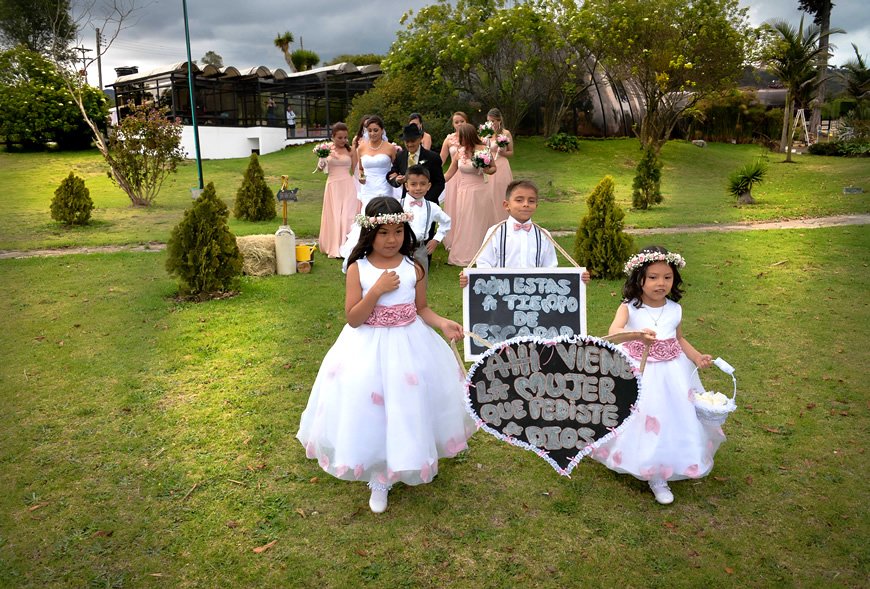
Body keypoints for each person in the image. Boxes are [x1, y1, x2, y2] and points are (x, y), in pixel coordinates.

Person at [297, 197, 475, 513]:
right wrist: (377, 290)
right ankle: (379, 475)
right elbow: (353, 318)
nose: (391, 240)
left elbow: (421, 309)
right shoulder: (358, 269)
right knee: (371, 407)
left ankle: (411, 456)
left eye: (397, 232)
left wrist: (443, 323)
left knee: (409, 403)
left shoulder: (414, 268)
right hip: (367, 346)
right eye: (383, 233)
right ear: (369, 233)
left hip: (409, 343)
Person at [591, 245, 725, 505]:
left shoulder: (675, 309)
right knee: (640, 414)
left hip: (672, 372)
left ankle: (661, 469)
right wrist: (637, 334)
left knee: (670, 415)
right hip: (639, 370)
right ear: (638, 278)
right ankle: (637, 459)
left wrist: (696, 356)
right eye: (652, 277)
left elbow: (680, 339)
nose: (660, 283)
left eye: (667, 277)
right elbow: (614, 331)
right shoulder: (629, 308)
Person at [459, 180, 589, 286]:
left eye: (531, 201)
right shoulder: (495, 232)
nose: (526, 204)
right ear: (506, 205)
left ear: (536, 206)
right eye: (519, 200)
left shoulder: (543, 235)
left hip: (535, 299)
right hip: (501, 296)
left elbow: (551, 269)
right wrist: (470, 278)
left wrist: (578, 279)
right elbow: (484, 264)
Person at [339, 115, 398, 260]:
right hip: (368, 188)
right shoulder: (361, 147)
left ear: (382, 130)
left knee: (384, 216)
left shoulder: (390, 148)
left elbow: (396, 168)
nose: (372, 133)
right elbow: (360, 169)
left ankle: (385, 247)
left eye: (376, 130)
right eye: (370, 130)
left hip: (384, 187)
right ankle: (365, 250)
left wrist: (395, 177)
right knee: (368, 217)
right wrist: (361, 177)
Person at [444, 122, 497, 267]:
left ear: (468, 136)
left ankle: (483, 254)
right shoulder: (459, 152)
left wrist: (485, 169)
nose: (459, 140)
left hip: (479, 191)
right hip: (463, 191)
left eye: (461, 137)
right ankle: (464, 253)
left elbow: (493, 168)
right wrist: (433, 182)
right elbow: (449, 173)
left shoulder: (482, 150)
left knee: (478, 221)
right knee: (464, 221)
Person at [317, 122, 359, 258]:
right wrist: (322, 159)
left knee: (347, 216)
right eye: (340, 138)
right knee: (334, 215)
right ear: (333, 136)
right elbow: (320, 169)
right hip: (333, 185)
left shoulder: (351, 150)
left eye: (345, 137)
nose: (343, 140)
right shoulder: (326, 148)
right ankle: (334, 246)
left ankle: (347, 247)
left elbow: (355, 170)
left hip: (348, 185)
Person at [401, 164, 451, 275]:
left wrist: (436, 239)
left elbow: (446, 222)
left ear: (428, 186)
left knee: (421, 281)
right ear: (406, 186)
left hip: (421, 250)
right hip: (400, 249)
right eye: (413, 184)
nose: (418, 188)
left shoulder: (432, 207)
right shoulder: (398, 205)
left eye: (422, 184)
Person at [388, 123, 445, 205]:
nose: (410, 144)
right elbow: (391, 174)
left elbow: (439, 183)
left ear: (420, 138)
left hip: (428, 202)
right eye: (407, 141)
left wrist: (425, 201)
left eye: (413, 141)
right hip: (407, 203)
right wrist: (397, 180)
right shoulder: (400, 156)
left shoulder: (433, 157)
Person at [439, 111, 470, 250]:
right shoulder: (449, 139)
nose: (459, 124)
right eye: (456, 122)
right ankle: (453, 239)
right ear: (453, 124)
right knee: (454, 208)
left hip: (468, 175)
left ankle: (466, 236)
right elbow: (441, 159)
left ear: (466, 122)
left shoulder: (472, 138)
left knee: (466, 209)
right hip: (453, 177)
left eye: (462, 121)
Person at [483, 108, 514, 223]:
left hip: (501, 166)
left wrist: (503, 152)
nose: (491, 124)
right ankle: (491, 222)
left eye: (493, 121)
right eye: (488, 121)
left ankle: (504, 220)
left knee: (501, 193)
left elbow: (511, 152)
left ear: (499, 120)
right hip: (490, 166)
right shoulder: (486, 133)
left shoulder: (505, 134)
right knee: (489, 194)